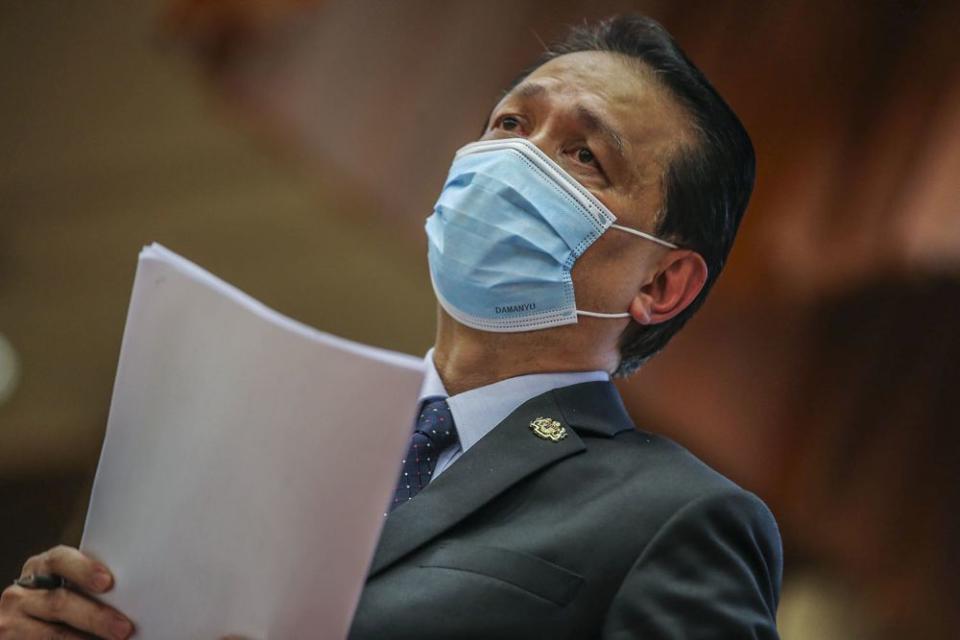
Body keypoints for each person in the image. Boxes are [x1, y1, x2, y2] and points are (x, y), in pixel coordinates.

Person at [0, 14, 781, 640]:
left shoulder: (672, 518)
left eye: (583, 154)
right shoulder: (268, 440)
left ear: (661, 283)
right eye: (510, 124)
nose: (515, 162)